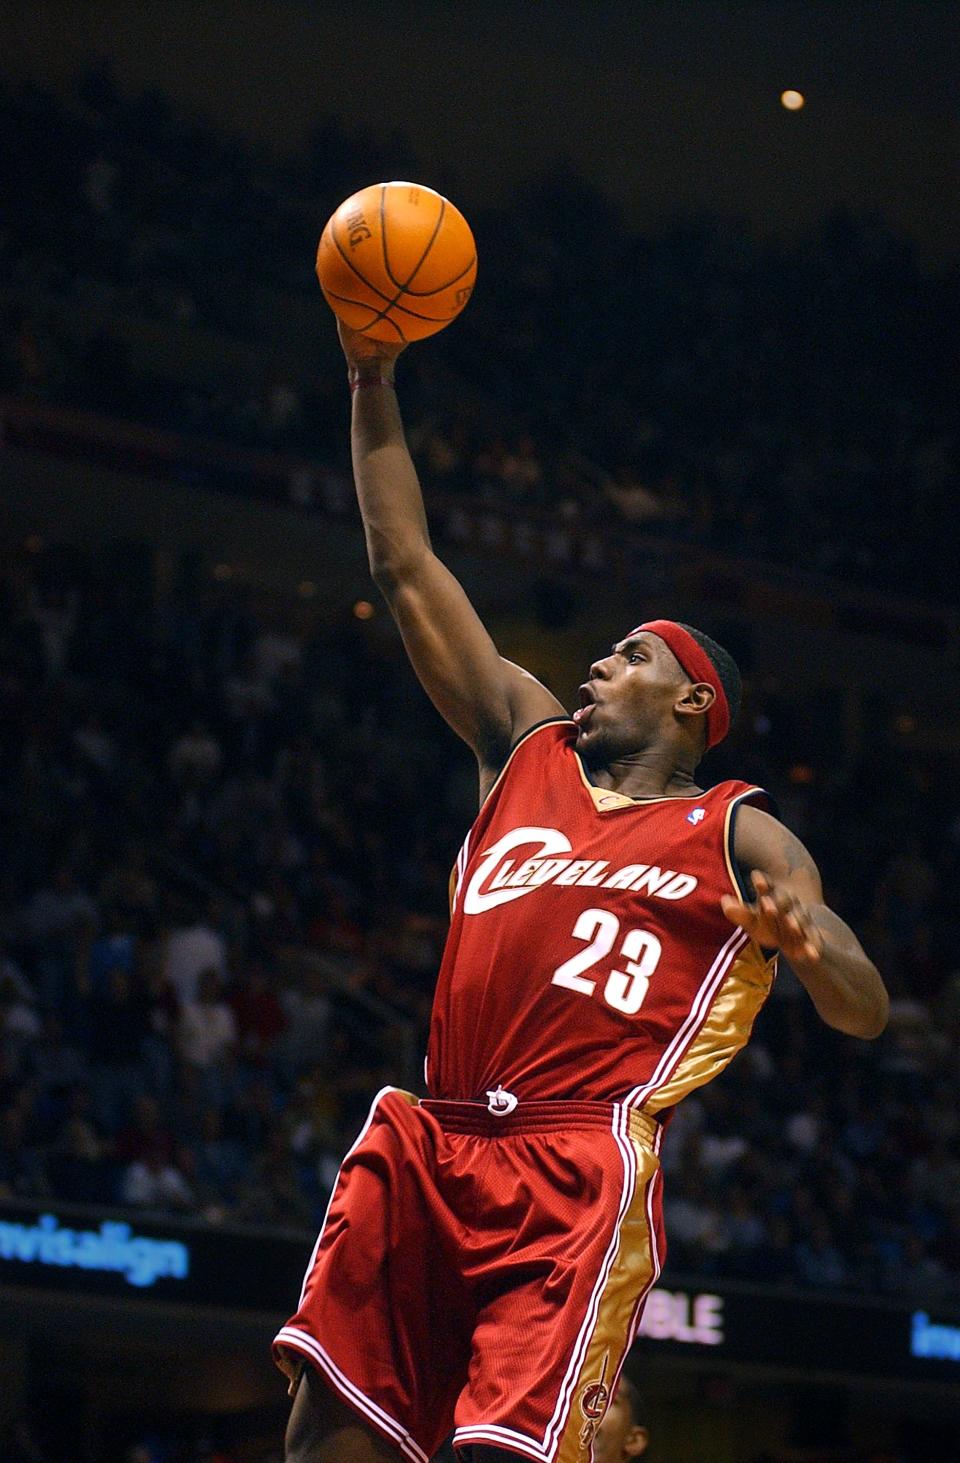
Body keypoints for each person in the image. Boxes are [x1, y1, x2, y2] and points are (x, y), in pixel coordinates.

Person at [273, 322, 889, 1463]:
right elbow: (404, 562)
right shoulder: (525, 747)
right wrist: (370, 379)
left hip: (573, 1165)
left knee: (502, 1451)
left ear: (695, 701)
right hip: (434, 1135)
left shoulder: (740, 825)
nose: (596, 666)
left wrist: (805, 943)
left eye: (630, 654)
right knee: (319, 1434)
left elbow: (865, 1004)